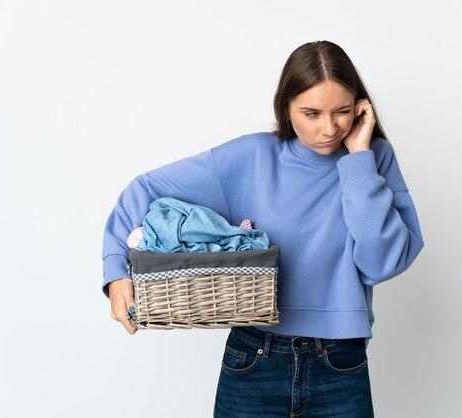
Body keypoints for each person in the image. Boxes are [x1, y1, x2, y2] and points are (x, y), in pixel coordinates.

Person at [101, 40, 424, 417]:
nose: (329, 128)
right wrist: (116, 271)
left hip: (340, 362)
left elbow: (381, 263)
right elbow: (147, 188)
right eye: (311, 113)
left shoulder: (372, 159)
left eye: (343, 111)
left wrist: (359, 162)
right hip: (254, 357)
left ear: (360, 107)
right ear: (285, 108)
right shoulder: (251, 157)